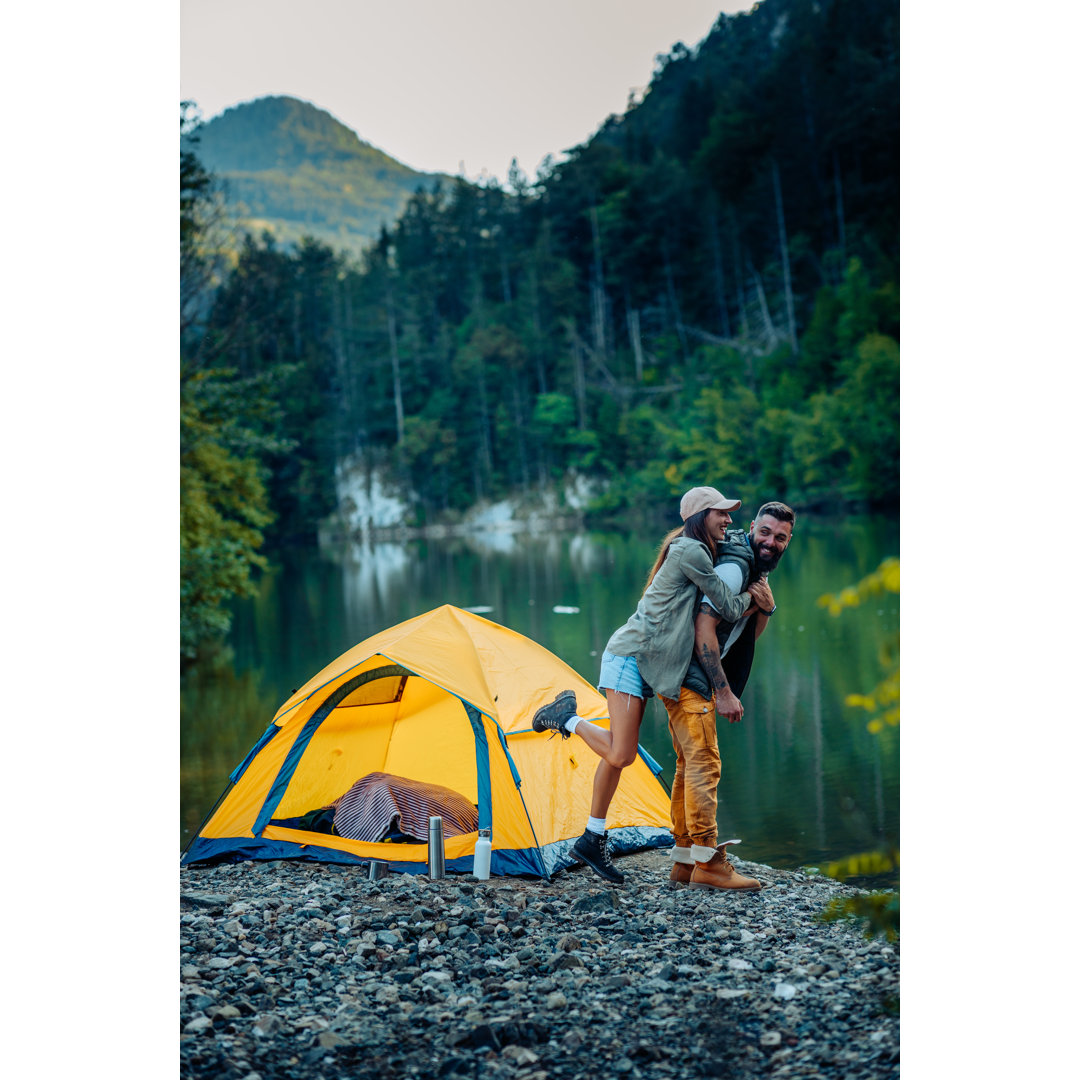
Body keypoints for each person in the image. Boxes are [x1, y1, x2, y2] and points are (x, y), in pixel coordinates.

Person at [531, 486, 771, 884]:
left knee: (617, 755)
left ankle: (592, 836)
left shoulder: (698, 550)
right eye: (720, 513)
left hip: (645, 663)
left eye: (730, 514)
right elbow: (726, 607)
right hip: (628, 657)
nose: (728, 520)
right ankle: (567, 719)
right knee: (623, 754)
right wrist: (754, 596)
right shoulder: (693, 552)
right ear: (700, 516)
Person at [663, 501, 796, 892]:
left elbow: (740, 640)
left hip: (684, 676)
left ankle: (685, 861)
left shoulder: (752, 568)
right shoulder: (737, 566)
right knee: (705, 765)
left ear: (789, 540)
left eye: (780, 537)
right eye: (766, 532)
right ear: (752, 526)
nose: (771, 542)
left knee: (689, 766)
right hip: (693, 678)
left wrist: (764, 611)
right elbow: (704, 627)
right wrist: (722, 691)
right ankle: (709, 862)